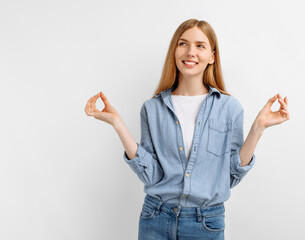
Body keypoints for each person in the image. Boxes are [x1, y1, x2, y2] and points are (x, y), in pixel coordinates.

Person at [84, 19, 289, 240]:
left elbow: (230, 176)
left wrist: (258, 128)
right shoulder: (152, 108)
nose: (190, 52)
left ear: (212, 56)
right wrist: (118, 123)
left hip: (206, 223)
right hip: (155, 218)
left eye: (200, 45)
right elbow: (151, 175)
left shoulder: (230, 109)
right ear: (174, 51)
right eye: (183, 43)